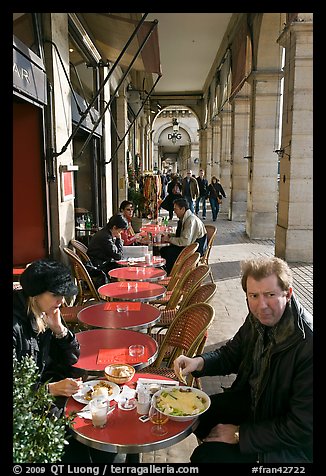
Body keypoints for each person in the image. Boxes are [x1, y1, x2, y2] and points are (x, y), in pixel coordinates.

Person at [174, 256, 313, 463]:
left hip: (288, 444)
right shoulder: (257, 318)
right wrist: (199, 362)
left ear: (288, 293)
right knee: (196, 416)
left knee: (206, 457)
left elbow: (301, 427)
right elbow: (231, 354)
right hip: (255, 405)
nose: (261, 305)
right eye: (253, 295)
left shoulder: (306, 343)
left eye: (270, 295)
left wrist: (240, 434)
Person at [13, 258, 117, 463]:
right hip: (29, 412)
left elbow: (72, 357)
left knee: (106, 439)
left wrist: (59, 330)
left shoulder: (43, 312)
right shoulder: (16, 326)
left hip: (52, 397)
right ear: (36, 293)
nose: (61, 300)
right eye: (56, 294)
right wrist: (50, 389)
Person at [160, 197, 207, 274]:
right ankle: (169, 272)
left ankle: (172, 275)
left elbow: (185, 241)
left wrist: (169, 239)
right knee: (164, 250)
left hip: (195, 250)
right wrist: (169, 235)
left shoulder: (190, 220)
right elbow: (183, 235)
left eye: (176, 209)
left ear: (183, 209)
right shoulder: (185, 218)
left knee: (168, 252)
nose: (174, 211)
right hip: (190, 246)